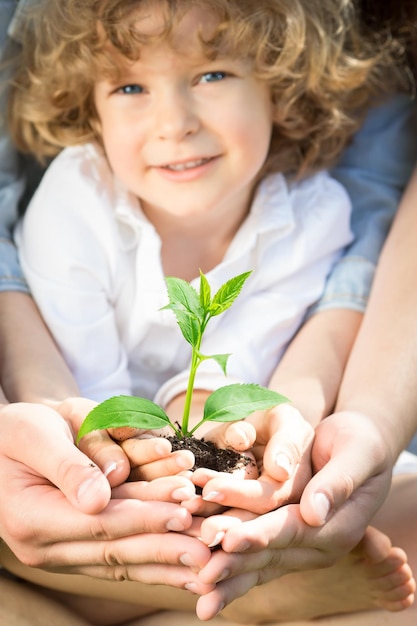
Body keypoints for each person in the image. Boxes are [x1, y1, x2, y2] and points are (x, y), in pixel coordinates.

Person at [0, 2, 416, 626]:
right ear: (92, 109)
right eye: (131, 86)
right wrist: (154, 460)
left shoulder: (310, 217)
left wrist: (215, 439)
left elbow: (243, 385)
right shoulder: (76, 202)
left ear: (277, 86)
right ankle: (272, 594)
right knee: (50, 511)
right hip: (100, 459)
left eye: (212, 75)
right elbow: (82, 398)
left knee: (387, 501)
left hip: (217, 465)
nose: (175, 123)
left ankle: (204, 585)